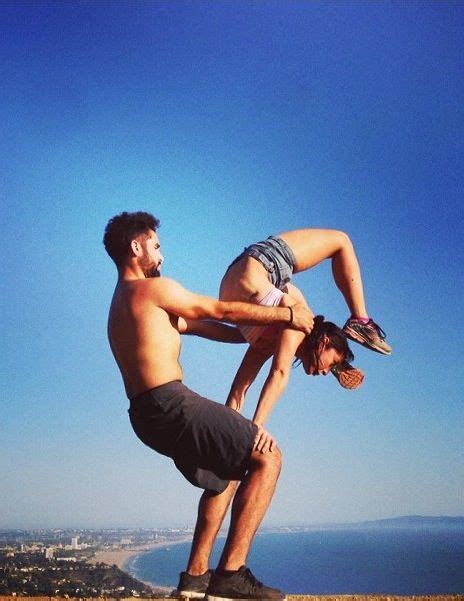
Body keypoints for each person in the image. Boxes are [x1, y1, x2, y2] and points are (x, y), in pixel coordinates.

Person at [103, 212, 314, 601]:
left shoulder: (125, 304)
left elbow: (201, 326)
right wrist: (288, 315)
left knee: (226, 470)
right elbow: (216, 310)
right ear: (137, 247)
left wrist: (252, 339)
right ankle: (231, 575)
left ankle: (195, 580)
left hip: (145, 415)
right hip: (169, 402)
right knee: (267, 456)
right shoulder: (151, 290)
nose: (162, 255)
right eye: (157, 245)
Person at [218, 228, 389, 446]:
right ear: (324, 342)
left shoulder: (269, 341)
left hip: (245, 275)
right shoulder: (300, 323)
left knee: (296, 302)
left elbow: (239, 389)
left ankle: (355, 324)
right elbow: (279, 373)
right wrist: (257, 427)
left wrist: (222, 435)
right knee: (342, 241)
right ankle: (361, 321)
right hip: (264, 264)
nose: (326, 373)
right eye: (333, 363)